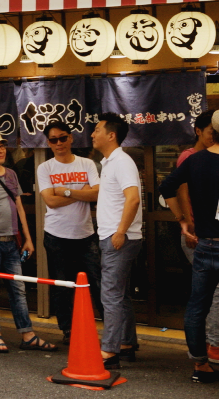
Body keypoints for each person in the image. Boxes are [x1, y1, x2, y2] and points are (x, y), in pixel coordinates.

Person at [0, 131, 57, 353]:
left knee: (19, 289)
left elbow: (19, 208)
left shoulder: (11, 175)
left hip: (11, 241)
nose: (0, 150)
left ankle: (28, 334)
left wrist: (27, 238)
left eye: (2, 145)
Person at [160, 109, 219, 383]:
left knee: (197, 306)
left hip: (206, 244)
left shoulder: (195, 161)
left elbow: (167, 186)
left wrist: (182, 220)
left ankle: (199, 365)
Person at [36, 121, 103, 344]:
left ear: (71, 138)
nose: (59, 143)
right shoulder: (45, 168)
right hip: (56, 235)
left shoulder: (87, 164)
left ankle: (107, 330)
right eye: (53, 140)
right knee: (61, 286)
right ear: (48, 143)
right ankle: (68, 330)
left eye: (62, 138)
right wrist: (80, 191)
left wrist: (64, 190)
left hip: (86, 234)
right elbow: (50, 201)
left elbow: (96, 195)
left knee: (97, 282)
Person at [91, 113, 143, 369]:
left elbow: (133, 198)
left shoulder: (122, 161)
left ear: (111, 135)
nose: (92, 134)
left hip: (118, 236)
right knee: (119, 295)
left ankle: (109, 350)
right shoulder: (110, 162)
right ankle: (125, 343)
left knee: (110, 294)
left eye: (97, 130)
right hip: (115, 235)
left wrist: (121, 230)